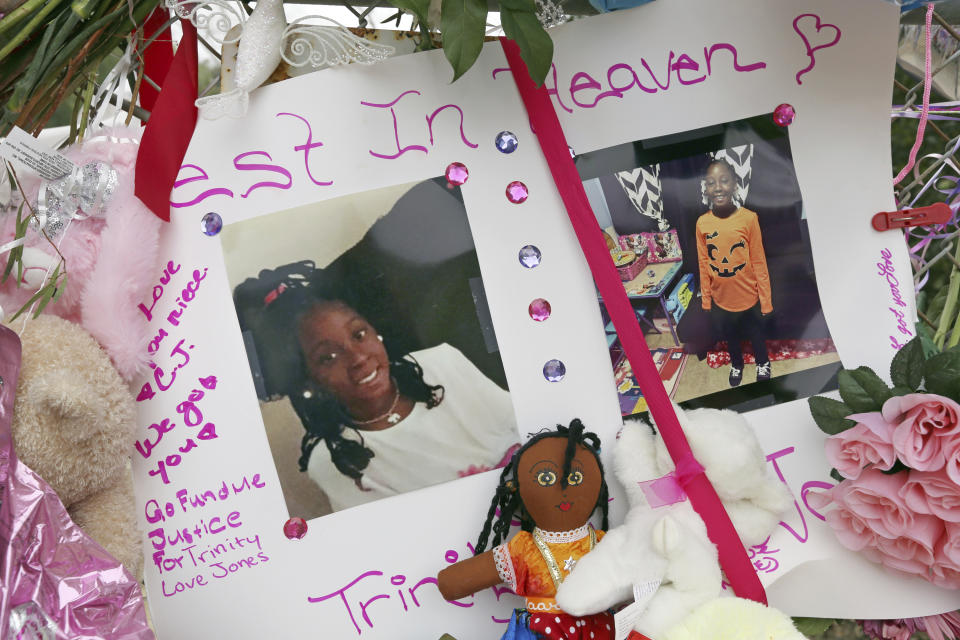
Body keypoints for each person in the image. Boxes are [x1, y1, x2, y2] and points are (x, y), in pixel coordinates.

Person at [234, 262, 520, 511]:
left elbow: (523, 426)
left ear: (375, 329)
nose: (358, 358)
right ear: (308, 379)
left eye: (359, 334)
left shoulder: (442, 362)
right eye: (328, 357)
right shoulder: (335, 463)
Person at [437, 420, 616, 640]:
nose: (564, 489)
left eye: (575, 478)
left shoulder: (605, 544)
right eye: (546, 478)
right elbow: (452, 582)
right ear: (517, 490)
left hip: (599, 629)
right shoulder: (524, 550)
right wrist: (452, 581)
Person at [695, 159, 773, 387]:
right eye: (711, 183)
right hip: (721, 299)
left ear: (735, 184)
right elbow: (703, 262)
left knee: (756, 333)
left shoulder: (749, 218)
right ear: (706, 189)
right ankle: (736, 364)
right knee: (731, 336)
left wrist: (765, 300)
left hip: (749, 296)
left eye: (724, 180)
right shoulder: (702, 223)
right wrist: (706, 299)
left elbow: (759, 261)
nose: (718, 187)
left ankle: (762, 362)